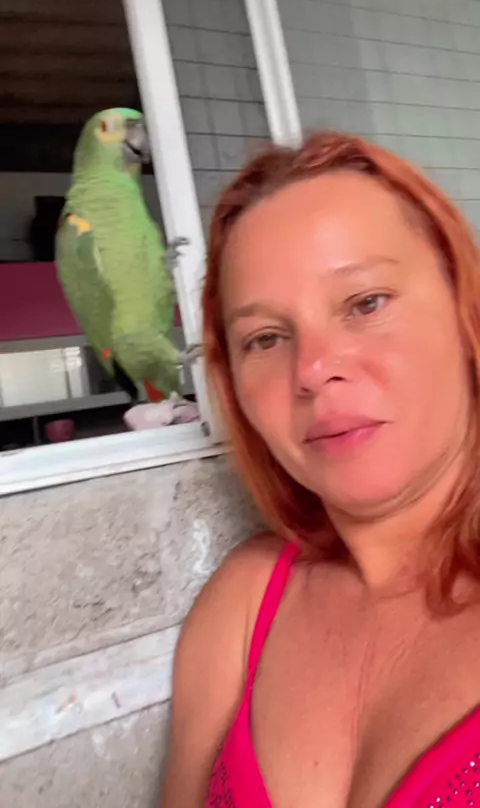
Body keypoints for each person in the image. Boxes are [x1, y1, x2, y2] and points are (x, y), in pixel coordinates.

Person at [161, 132, 480, 808]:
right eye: (265, 338)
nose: (311, 369)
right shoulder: (244, 606)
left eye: (365, 303)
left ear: (464, 310)